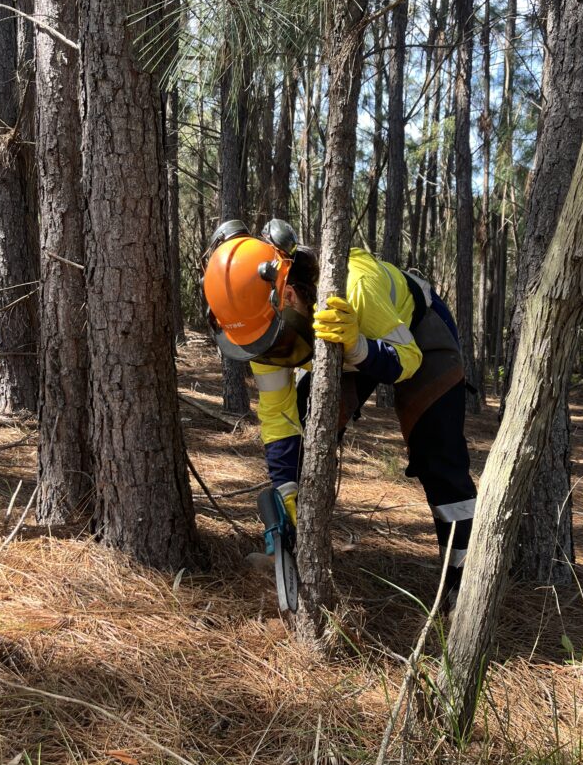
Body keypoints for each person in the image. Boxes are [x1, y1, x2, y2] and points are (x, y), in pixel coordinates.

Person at [202, 218, 477, 599]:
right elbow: (278, 417)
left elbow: (407, 360)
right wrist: (287, 488)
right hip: (344, 345)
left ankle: (465, 576)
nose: (269, 354)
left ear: (289, 296)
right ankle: (298, 549)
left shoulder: (357, 287)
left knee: (438, 453)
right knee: (305, 422)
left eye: (274, 340)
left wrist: (359, 347)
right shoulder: (257, 329)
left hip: (413, 336)